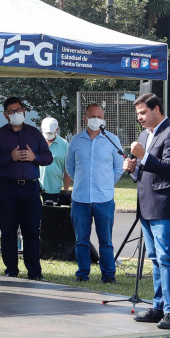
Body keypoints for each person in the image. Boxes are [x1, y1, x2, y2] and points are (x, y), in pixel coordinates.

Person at [123, 92, 170, 330]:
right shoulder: (144, 135)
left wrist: (142, 156)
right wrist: (132, 168)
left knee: (166, 258)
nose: (139, 117)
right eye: (137, 113)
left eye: (142, 113)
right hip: (146, 205)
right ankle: (158, 306)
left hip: (164, 204)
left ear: (156, 109)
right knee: (154, 259)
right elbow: (144, 172)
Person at [0, 97, 52, 281]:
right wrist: (9, 157)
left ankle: (34, 272)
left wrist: (34, 156)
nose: (16, 114)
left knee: (31, 230)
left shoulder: (35, 134)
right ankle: (11, 270)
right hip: (7, 188)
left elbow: (48, 157)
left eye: (19, 110)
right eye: (12, 112)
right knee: (8, 230)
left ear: (24, 111)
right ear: (6, 115)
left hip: (30, 188)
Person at [65, 103, 124, 284]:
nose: (96, 119)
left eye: (99, 116)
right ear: (85, 118)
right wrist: (83, 183)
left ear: (103, 118)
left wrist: (105, 184)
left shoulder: (112, 140)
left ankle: (108, 275)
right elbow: (70, 167)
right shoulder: (75, 140)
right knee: (81, 239)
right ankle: (82, 274)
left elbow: (118, 168)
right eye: (92, 116)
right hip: (80, 198)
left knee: (105, 240)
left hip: (104, 199)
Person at [39, 117, 69, 203]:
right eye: (46, 132)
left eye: (50, 133)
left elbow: (67, 169)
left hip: (55, 189)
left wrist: (65, 189)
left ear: (57, 130)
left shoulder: (64, 144)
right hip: (36, 187)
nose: (48, 135)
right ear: (41, 129)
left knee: (51, 215)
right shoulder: (36, 142)